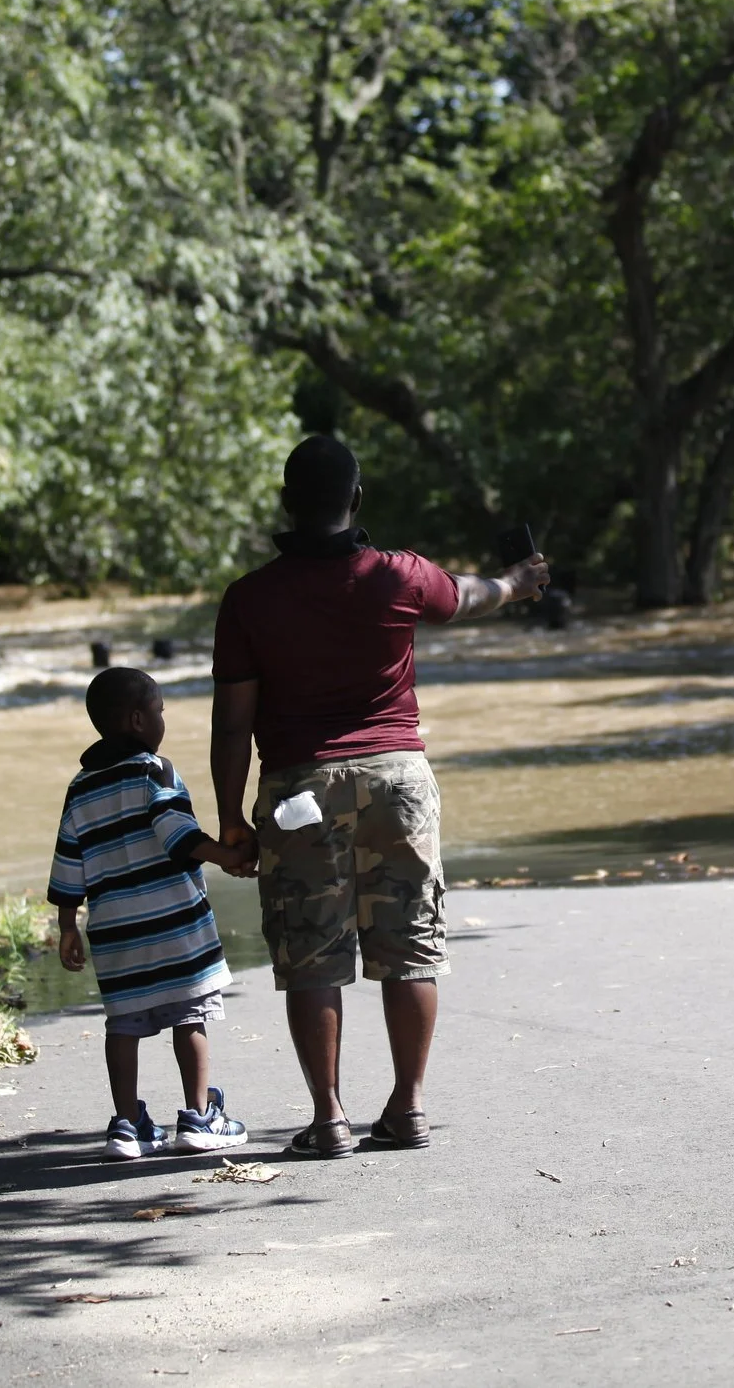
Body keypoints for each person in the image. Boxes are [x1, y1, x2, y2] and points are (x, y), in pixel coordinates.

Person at [210, 435, 548, 1158]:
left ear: (285, 502)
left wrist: (231, 817)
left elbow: (232, 721)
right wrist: (519, 582)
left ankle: (329, 1117)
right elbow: (470, 595)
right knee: (410, 944)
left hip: (298, 787)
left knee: (312, 953)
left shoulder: (249, 598)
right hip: (399, 781)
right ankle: (408, 1107)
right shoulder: (398, 574)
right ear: (356, 500)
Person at [49, 666, 257, 1160]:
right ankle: (199, 1116)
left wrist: (66, 928)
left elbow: (67, 860)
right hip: (174, 924)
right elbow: (177, 834)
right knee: (191, 1014)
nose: (163, 719)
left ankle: (126, 1125)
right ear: (139, 719)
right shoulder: (154, 770)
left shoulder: (80, 787)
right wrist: (229, 856)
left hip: (116, 934)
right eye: (161, 710)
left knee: (122, 1023)